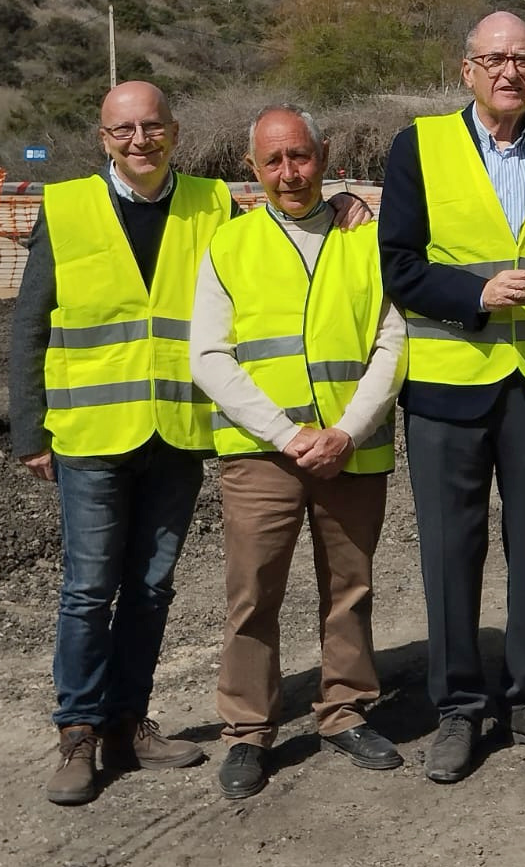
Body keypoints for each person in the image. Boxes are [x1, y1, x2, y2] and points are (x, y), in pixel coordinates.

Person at [380, 11, 525, 782]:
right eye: (493, 59)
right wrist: (476, 292)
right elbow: (399, 266)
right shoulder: (419, 145)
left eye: (522, 58)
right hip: (449, 383)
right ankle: (459, 708)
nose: (509, 70)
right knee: (450, 551)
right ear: (465, 69)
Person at [8, 81, 226, 805]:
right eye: (124, 130)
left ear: (175, 131)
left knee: (152, 586)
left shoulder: (213, 203)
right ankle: (77, 730)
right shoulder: (66, 207)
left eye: (152, 126)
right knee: (86, 587)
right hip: (92, 432)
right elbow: (30, 323)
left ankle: (128, 722)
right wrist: (28, 428)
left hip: (177, 429)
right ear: (104, 139)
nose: (140, 140)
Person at [190, 106, 407, 799]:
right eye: (274, 160)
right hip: (261, 454)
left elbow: (392, 342)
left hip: (352, 449)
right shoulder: (231, 244)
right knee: (252, 593)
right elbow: (209, 355)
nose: (290, 173)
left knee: (351, 589)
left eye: (301, 156)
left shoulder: (367, 239)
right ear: (252, 167)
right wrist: (287, 434)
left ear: (325, 153)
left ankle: (344, 710)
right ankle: (249, 731)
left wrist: (345, 428)